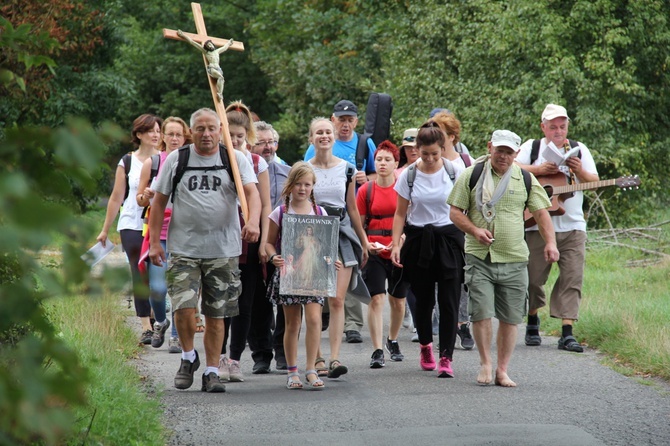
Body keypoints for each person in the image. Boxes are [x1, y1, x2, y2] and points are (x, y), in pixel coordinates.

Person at [148, 107, 261, 393]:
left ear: (220, 131)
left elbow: (252, 195)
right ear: (192, 131)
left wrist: (254, 221)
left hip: (223, 249)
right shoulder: (177, 159)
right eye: (200, 128)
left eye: (212, 128)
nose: (207, 133)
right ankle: (188, 357)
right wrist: (152, 243)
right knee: (183, 308)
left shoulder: (235, 160)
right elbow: (158, 203)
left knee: (216, 313)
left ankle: (211, 371)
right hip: (184, 248)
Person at [447, 129, 559, 387]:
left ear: (516, 154)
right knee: (481, 312)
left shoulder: (526, 179)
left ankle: (502, 369)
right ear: (490, 147)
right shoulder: (472, 174)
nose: (504, 156)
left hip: (515, 258)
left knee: (511, 317)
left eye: (509, 152)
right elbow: (455, 212)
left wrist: (551, 243)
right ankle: (485, 363)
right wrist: (475, 230)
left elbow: (542, 214)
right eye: (500, 150)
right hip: (479, 256)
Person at [515, 104, 599, 352]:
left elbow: (594, 183)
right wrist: (538, 169)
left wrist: (578, 170)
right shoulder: (532, 148)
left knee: (572, 278)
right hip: (537, 226)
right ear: (543, 127)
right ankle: (532, 319)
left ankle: (567, 331)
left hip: (573, 225)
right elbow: (510, 168)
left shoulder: (579, 149)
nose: (558, 131)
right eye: (553, 127)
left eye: (562, 126)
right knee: (532, 278)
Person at [390, 122, 465, 378]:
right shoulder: (409, 175)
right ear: (417, 150)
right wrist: (395, 244)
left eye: (435, 153)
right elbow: (400, 213)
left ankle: (446, 356)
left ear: (443, 149)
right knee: (422, 301)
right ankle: (425, 346)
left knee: (449, 300)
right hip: (418, 238)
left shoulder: (456, 171)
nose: (431, 159)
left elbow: (466, 209)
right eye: (425, 154)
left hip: (448, 238)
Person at [304, 100, 375, 344]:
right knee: (320, 294)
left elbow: (354, 204)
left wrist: (363, 240)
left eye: (350, 119)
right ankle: (318, 354)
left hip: (342, 226)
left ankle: (350, 329)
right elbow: (300, 195)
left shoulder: (359, 151)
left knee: (340, 294)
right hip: (314, 231)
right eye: (319, 132)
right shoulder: (307, 163)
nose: (345, 123)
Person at [265, 162, 341, 390]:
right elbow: (268, 243)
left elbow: (327, 246)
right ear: (290, 185)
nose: (302, 188)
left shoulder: (320, 213)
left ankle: (311, 368)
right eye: (298, 183)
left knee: (315, 319)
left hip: (314, 275)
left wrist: (332, 260)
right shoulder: (280, 212)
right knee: (292, 323)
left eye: (307, 184)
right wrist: (273, 257)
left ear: (313, 187)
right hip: (290, 274)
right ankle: (292, 371)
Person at [218, 101, 273, 381]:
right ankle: (217, 355)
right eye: (231, 135)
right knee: (221, 302)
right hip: (220, 241)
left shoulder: (256, 162)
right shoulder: (215, 158)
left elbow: (264, 203)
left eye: (241, 136)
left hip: (249, 242)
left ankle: (235, 358)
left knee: (244, 302)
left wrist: (264, 241)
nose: (236, 140)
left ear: (247, 136)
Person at [97, 113, 162, 344]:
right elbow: (116, 197)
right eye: (151, 130)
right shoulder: (127, 161)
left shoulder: (166, 159)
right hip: (131, 224)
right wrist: (105, 230)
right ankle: (145, 325)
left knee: (157, 274)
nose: (156, 134)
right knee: (139, 272)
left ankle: (157, 316)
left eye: (158, 130)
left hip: (159, 224)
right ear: (139, 134)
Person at [136, 117, 192, 352]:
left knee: (180, 289)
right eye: (170, 134)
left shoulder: (191, 162)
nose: (174, 139)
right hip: (159, 234)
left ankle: (176, 337)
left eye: (179, 134)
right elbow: (139, 201)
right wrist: (147, 196)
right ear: (163, 137)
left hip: (185, 234)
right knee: (158, 289)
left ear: (185, 137)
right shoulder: (155, 162)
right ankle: (160, 321)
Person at [356, 141, 409, 367]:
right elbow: (358, 223)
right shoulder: (365, 190)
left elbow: (410, 220)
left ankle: (392, 340)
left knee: (398, 301)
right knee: (376, 299)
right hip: (374, 250)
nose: (383, 164)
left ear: (396, 163)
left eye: (388, 160)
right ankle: (377, 349)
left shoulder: (403, 188)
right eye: (379, 159)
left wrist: (402, 240)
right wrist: (366, 244)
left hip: (399, 249)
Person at [430, 112, 476, 351]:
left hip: (462, 229)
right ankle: (446, 322)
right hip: (435, 229)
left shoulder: (466, 163)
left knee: (461, 279)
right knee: (440, 280)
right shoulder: (428, 160)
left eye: (440, 132)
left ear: (452, 136)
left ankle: (463, 322)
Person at [250, 120, 291, 371]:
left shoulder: (288, 172)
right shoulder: (244, 169)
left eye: (271, 142)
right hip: (253, 239)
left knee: (287, 298)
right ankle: (261, 354)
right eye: (261, 142)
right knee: (257, 300)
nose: (267, 147)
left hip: (284, 244)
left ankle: (283, 352)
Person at [176, 30, 233, 102]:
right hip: (212, 68)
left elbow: (225, 47)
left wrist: (229, 42)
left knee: (221, 79)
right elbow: (193, 43)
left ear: (213, 44)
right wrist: (183, 35)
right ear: (207, 48)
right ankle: (220, 93)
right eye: (208, 45)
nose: (210, 46)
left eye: (210, 44)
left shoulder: (217, 51)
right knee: (220, 76)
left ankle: (220, 94)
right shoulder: (206, 52)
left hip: (218, 68)